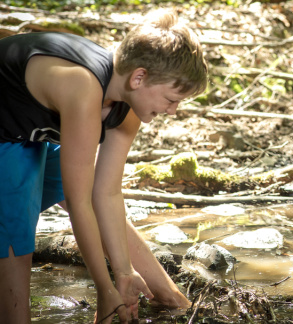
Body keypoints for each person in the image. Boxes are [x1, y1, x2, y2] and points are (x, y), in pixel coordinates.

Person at [0, 9, 208, 324]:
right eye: (171, 99)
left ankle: (170, 299)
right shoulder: (84, 89)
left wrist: (124, 273)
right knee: (17, 216)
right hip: (6, 135)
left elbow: (106, 194)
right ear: (139, 77)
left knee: (76, 189)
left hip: (31, 130)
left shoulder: (127, 110)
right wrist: (103, 285)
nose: (173, 111)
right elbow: (79, 201)